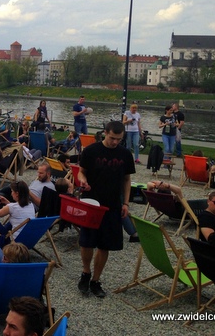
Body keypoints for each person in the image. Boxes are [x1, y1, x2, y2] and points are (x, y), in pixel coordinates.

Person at [76, 120, 135, 298]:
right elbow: (81, 171)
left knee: (105, 245)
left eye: (119, 139)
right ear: (105, 133)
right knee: (87, 241)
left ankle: (96, 280)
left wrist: (125, 203)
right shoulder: (91, 151)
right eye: (112, 138)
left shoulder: (125, 154)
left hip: (113, 204)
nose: (115, 142)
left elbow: (126, 180)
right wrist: (82, 180)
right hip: (91, 201)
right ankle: (85, 273)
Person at [0, 181, 36, 247]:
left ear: (17, 193)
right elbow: (17, 210)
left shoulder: (12, 207)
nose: (11, 194)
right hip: (28, 240)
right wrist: (8, 203)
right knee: (13, 222)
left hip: (15, 242)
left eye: (12, 191)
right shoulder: (30, 204)